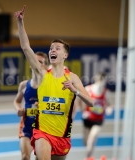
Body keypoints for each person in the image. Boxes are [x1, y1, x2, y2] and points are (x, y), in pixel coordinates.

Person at [15, 5, 94, 160]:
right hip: (41, 132)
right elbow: (25, 47)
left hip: (62, 134)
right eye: (51, 48)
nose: (52, 50)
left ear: (65, 55)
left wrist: (75, 90)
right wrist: (20, 22)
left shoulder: (72, 78)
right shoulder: (42, 74)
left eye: (57, 48)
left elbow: (91, 102)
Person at [13, 51, 49, 160]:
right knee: (25, 156)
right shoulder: (24, 85)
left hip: (43, 128)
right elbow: (17, 101)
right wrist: (18, 109)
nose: (37, 64)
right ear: (30, 64)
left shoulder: (49, 86)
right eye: (35, 61)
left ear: (45, 66)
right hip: (26, 128)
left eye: (40, 62)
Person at [78, 73, 113, 159]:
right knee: (86, 142)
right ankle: (88, 153)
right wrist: (83, 111)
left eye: (104, 82)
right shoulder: (88, 90)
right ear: (97, 81)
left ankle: (88, 157)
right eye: (101, 82)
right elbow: (79, 100)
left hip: (98, 120)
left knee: (92, 138)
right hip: (88, 119)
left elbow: (109, 104)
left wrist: (109, 109)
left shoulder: (106, 92)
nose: (102, 84)